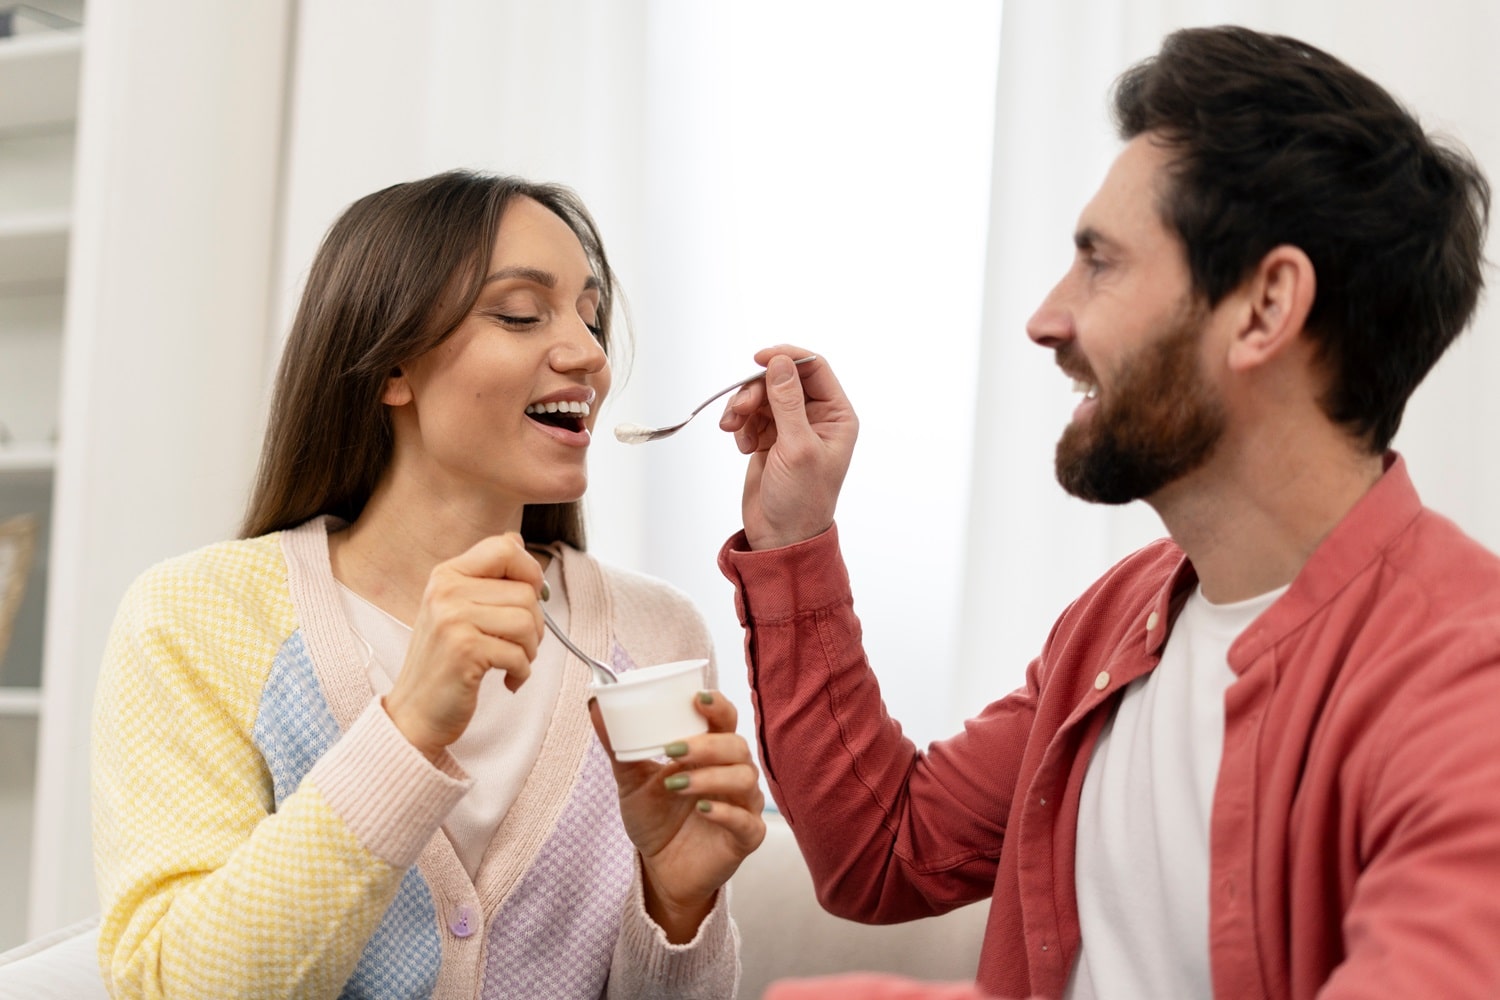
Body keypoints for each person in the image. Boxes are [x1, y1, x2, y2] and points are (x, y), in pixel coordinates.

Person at [716, 24, 1500, 1000]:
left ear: (1265, 308)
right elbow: (886, 848)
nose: (1046, 318)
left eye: (1100, 262)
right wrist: (794, 538)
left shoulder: (1467, 685)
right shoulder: (1119, 621)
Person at [91, 170, 765, 998]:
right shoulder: (195, 618)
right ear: (392, 367)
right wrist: (405, 730)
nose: (590, 355)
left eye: (590, 317)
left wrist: (679, 904)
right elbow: (175, 986)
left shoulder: (656, 633)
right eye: (520, 314)